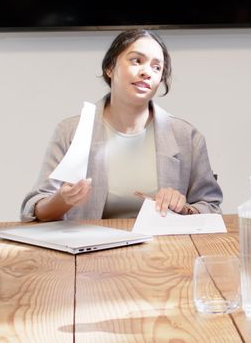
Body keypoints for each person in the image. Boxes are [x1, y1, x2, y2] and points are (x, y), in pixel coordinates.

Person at [21, 30, 223, 222]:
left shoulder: (186, 136)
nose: (147, 72)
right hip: (92, 252)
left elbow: (211, 207)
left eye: (156, 67)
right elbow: (34, 209)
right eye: (137, 61)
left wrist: (185, 208)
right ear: (110, 68)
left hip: (165, 251)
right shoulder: (70, 131)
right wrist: (62, 201)